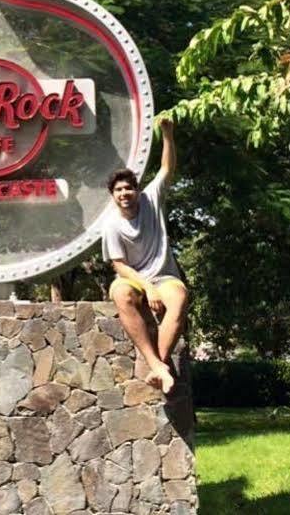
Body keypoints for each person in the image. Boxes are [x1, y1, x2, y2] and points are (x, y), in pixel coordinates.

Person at [102, 117, 187, 395]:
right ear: (113, 196)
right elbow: (119, 265)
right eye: (119, 190)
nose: (125, 193)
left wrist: (168, 135)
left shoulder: (151, 199)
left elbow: (166, 168)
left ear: (137, 190)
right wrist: (147, 287)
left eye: (129, 188)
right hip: (134, 278)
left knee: (179, 298)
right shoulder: (112, 225)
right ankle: (158, 365)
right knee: (121, 294)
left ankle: (158, 367)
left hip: (164, 276)